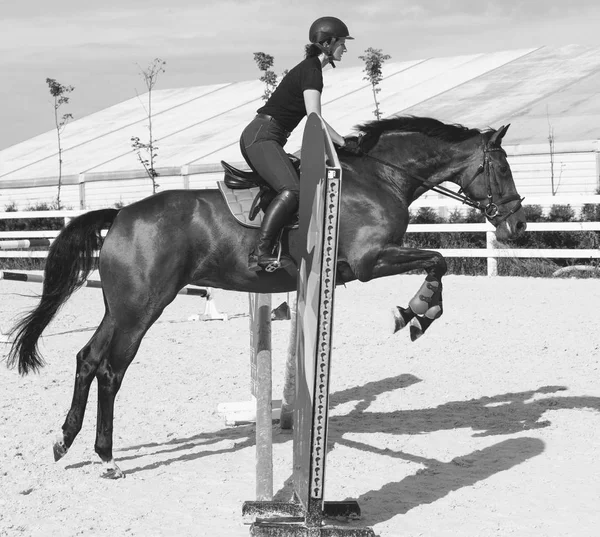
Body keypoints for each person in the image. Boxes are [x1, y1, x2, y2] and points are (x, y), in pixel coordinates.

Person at [240, 16, 360, 272]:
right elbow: (314, 117)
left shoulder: (310, 69)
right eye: (341, 43)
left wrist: (340, 141)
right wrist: (342, 141)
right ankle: (260, 253)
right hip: (262, 135)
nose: (345, 48)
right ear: (327, 43)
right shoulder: (312, 72)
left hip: (267, 135)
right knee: (293, 190)